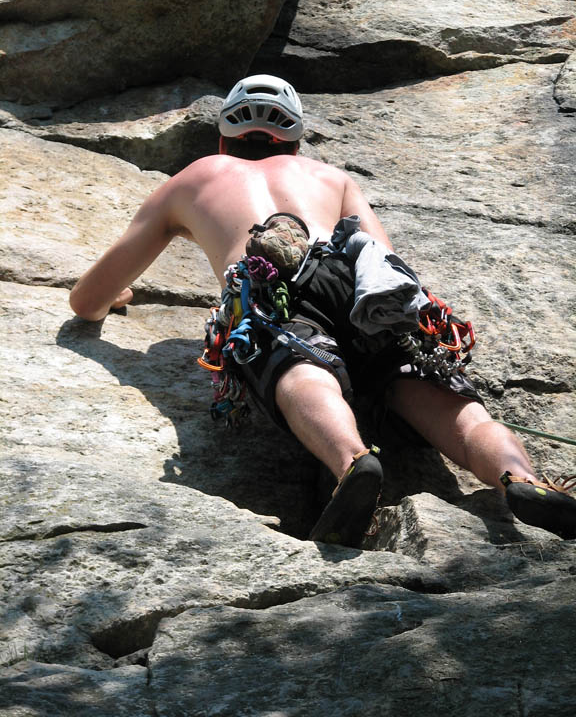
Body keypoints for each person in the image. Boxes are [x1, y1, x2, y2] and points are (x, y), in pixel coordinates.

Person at [70, 74, 576, 547]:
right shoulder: (329, 176)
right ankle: (521, 478)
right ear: (295, 142)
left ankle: (353, 464)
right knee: (443, 403)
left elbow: (86, 301)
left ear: (223, 139)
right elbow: (385, 261)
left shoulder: (196, 177)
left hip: (273, 283)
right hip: (357, 283)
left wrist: (114, 299)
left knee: (304, 371)